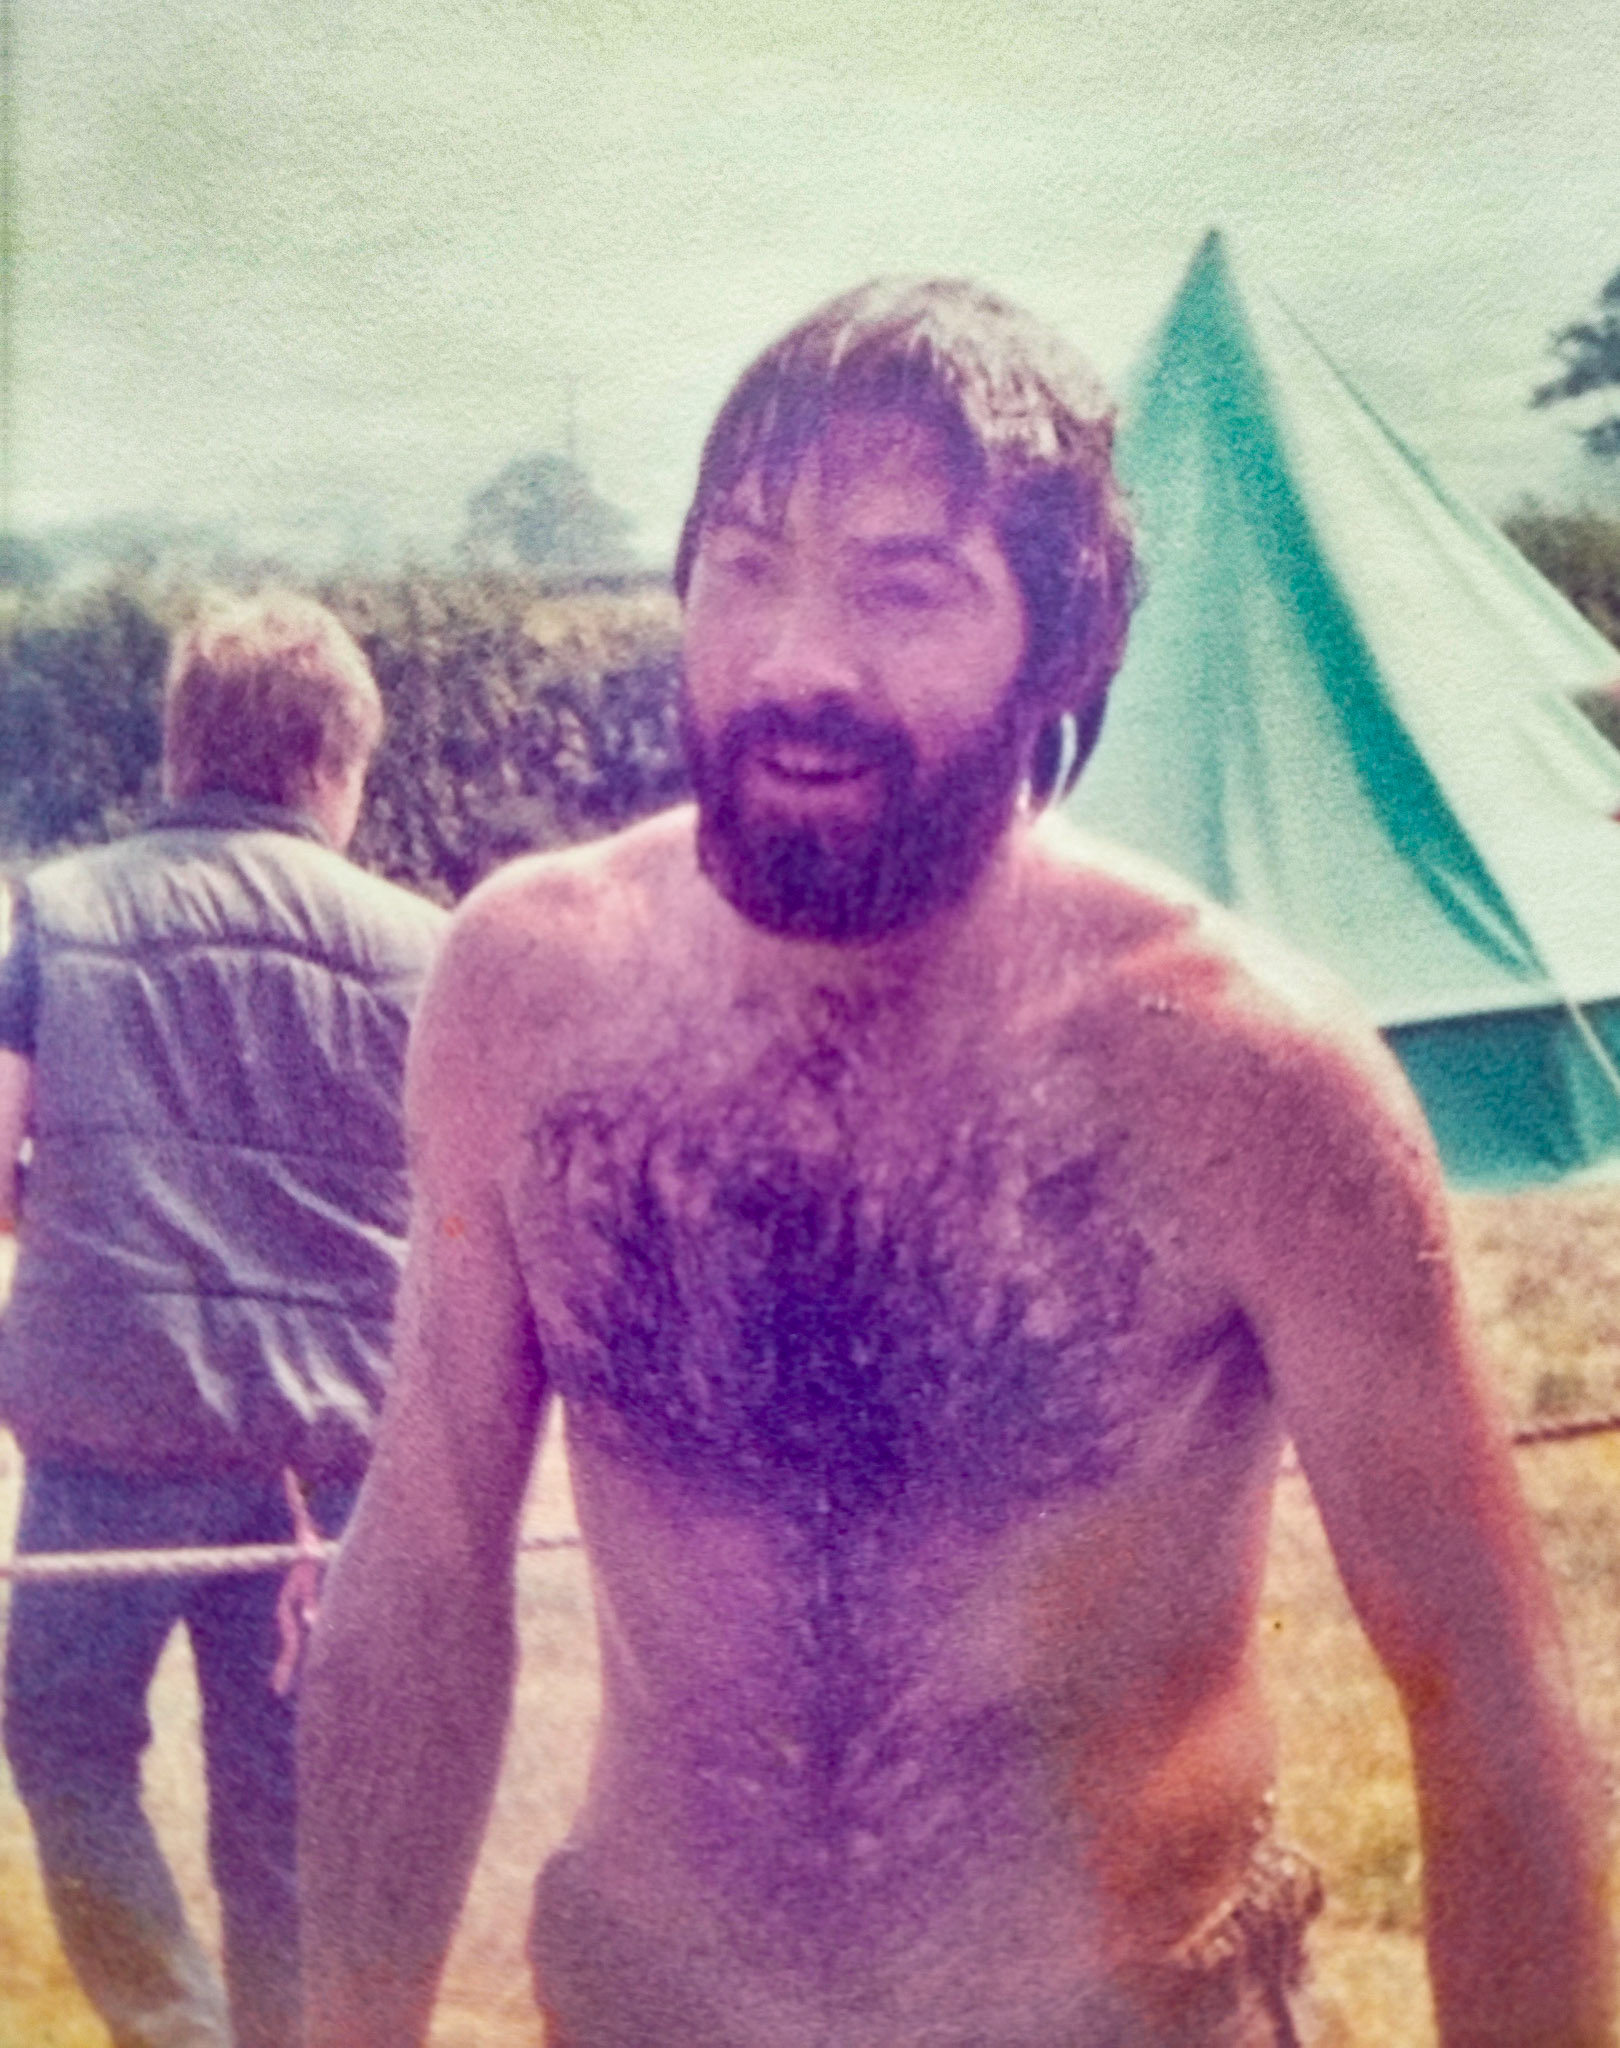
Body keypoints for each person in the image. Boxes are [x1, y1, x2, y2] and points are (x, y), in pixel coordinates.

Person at [298, 280, 1612, 2047]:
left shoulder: (1249, 1075)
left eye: (907, 587)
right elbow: (430, 1554)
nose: (795, 661)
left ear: (1064, 641)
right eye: (745, 566)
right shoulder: (527, 993)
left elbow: (1494, 1699)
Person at [0, 591, 446, 2048]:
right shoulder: (426, 952)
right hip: (316, 1473)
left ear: (185, 745)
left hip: (107, 1444)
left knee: (65, 1745)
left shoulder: (59, 916)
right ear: (333, 762)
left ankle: (171, 2028)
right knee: (284, 1818)